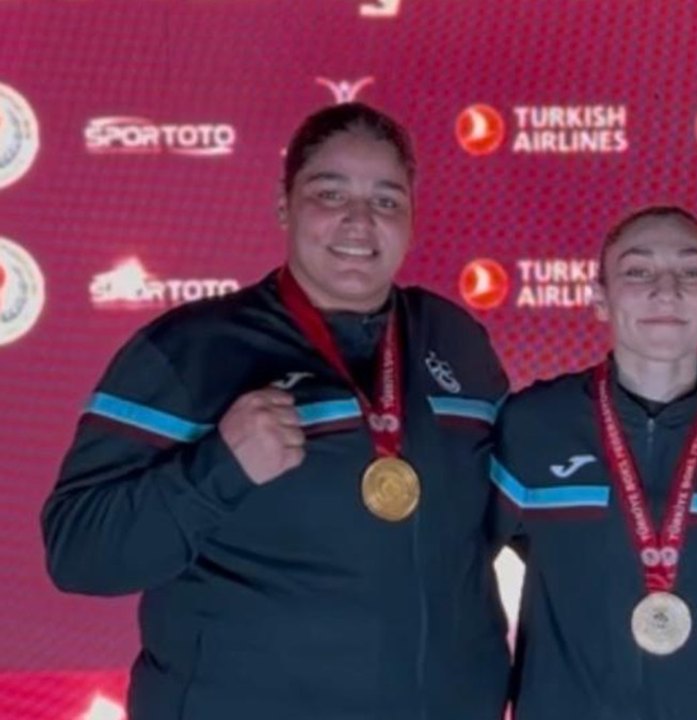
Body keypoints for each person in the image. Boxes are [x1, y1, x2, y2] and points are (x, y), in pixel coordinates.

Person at [41, 102, 510, 720]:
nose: (359, 221)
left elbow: (521, 514)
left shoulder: (455, 341)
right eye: (329, 194)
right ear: (284, 206)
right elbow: (79, 553)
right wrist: (217, 469)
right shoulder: (192, 349)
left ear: (411, 220)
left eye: (386, 200)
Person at [489, 206, 697, 720]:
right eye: (638, 271)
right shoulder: (533, 425)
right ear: (599, 298)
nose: (666, 290)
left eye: (690, 271)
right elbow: (454, 574)